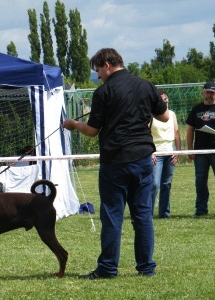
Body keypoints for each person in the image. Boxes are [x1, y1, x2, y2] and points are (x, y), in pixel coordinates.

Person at [63, 48, 169, 279]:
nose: (98, 76)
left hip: (115, 162)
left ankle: (108, 268)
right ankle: (146, 268)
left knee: (112, 216)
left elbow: (92, 131)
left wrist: (73, 124)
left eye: (98, 70)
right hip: (143, 159)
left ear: (108, 65)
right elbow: (165, 116)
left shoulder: (104, 92)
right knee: (143, 216)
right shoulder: (146, 85)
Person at [186, 81, 215, 218]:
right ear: (203, 92)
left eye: (212, 92)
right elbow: (189, 130)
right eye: (207, 92)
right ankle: (201, 209)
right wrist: (190, 149)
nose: (210, 94)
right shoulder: (196, 109)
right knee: (200, 180)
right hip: (200, 152)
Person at [150, 90, 182, 218]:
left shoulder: (172, 115)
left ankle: (164, 213)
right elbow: (146, 133)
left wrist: (178, 152)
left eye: (167, 99)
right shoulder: (151, 115)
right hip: (156, 153)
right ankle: (148, 212)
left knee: (166, 184)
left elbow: (177, 134)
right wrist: (150, 152)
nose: (166, 101)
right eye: (163, 99)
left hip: (170, 152)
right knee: (154, 184)